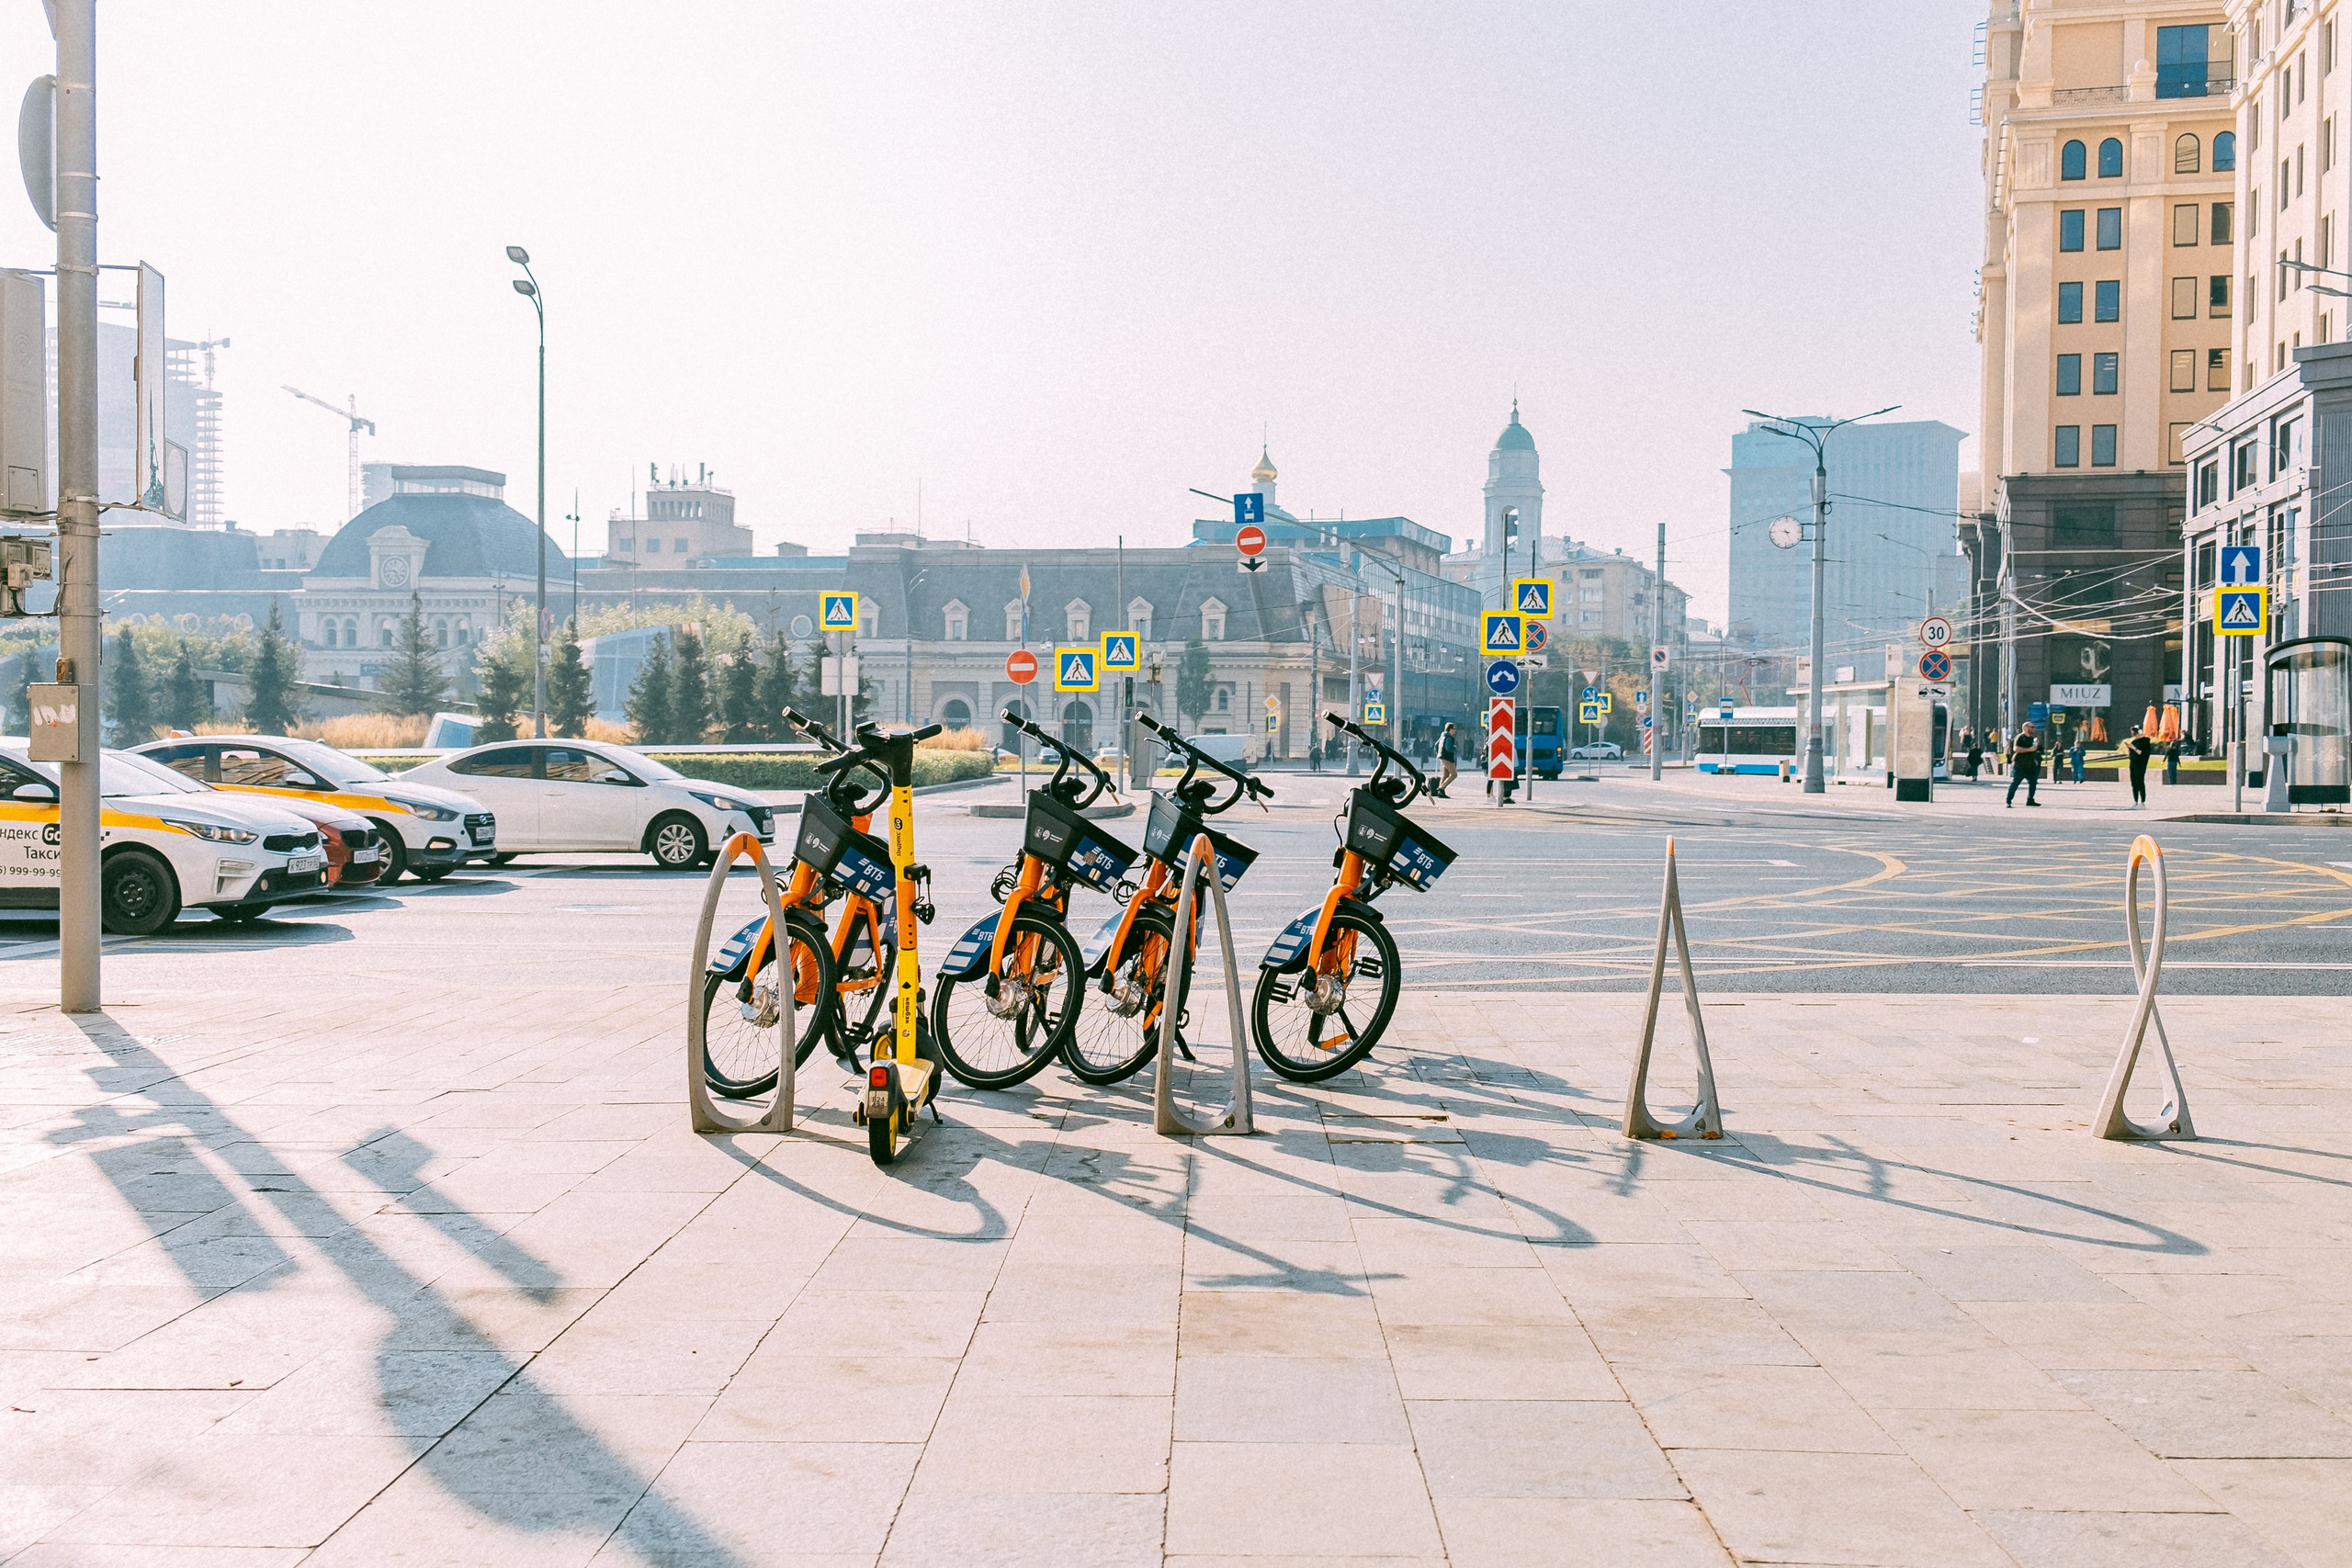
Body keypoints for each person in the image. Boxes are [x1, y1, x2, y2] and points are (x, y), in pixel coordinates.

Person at [2006, 722, 2042, 807]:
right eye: (2032, 727)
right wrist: (2029, 749)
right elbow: (2016, 748)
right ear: (2026, 727)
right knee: (2015, 783)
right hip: (2020, 764)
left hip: (2030, 765)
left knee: (2033, 783)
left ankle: (2030, 800)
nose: (2033, 729)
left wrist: (2035, 744)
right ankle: (2008, 800)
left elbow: (2034, 749)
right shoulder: (2020, 737)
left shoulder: (2032, 739)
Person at [2125, 728, 2153, 808]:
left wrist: (2133, 748)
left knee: (2140, 782)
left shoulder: (2145, 742)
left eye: (2134, 734)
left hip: (2140, 765)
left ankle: (2142, 802)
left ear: (2139, 733)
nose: (2133, 736)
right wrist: (2129, 748)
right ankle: (2136, 801)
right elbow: (2131, 754)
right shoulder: (2134, 742)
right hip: (2133, 764)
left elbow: (2143, 754)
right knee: (2134, 783)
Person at [1436, 722, 1458, 798]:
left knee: (1445, 775)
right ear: (1450, 729)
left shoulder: (1443, 736)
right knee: (1454, 774)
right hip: (1447, 758)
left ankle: (1440, 792)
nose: (1455, 730)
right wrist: (1454, 748)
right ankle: (1441, 788)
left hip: (1442, 757)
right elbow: (1448, 749)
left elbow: (1436, 745)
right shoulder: (1449, 738)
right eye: (1454, 729)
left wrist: (1439, 752)